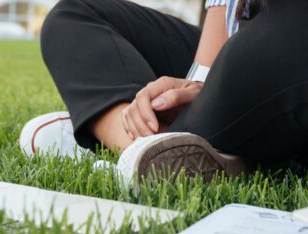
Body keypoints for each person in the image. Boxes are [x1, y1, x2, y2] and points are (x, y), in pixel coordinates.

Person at [20, 0, 308, 185]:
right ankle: (139, 144)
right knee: (74, 15)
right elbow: (223, 13)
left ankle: (150, 148)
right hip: (243, 49)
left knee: (279, 39)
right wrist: (198, 84)